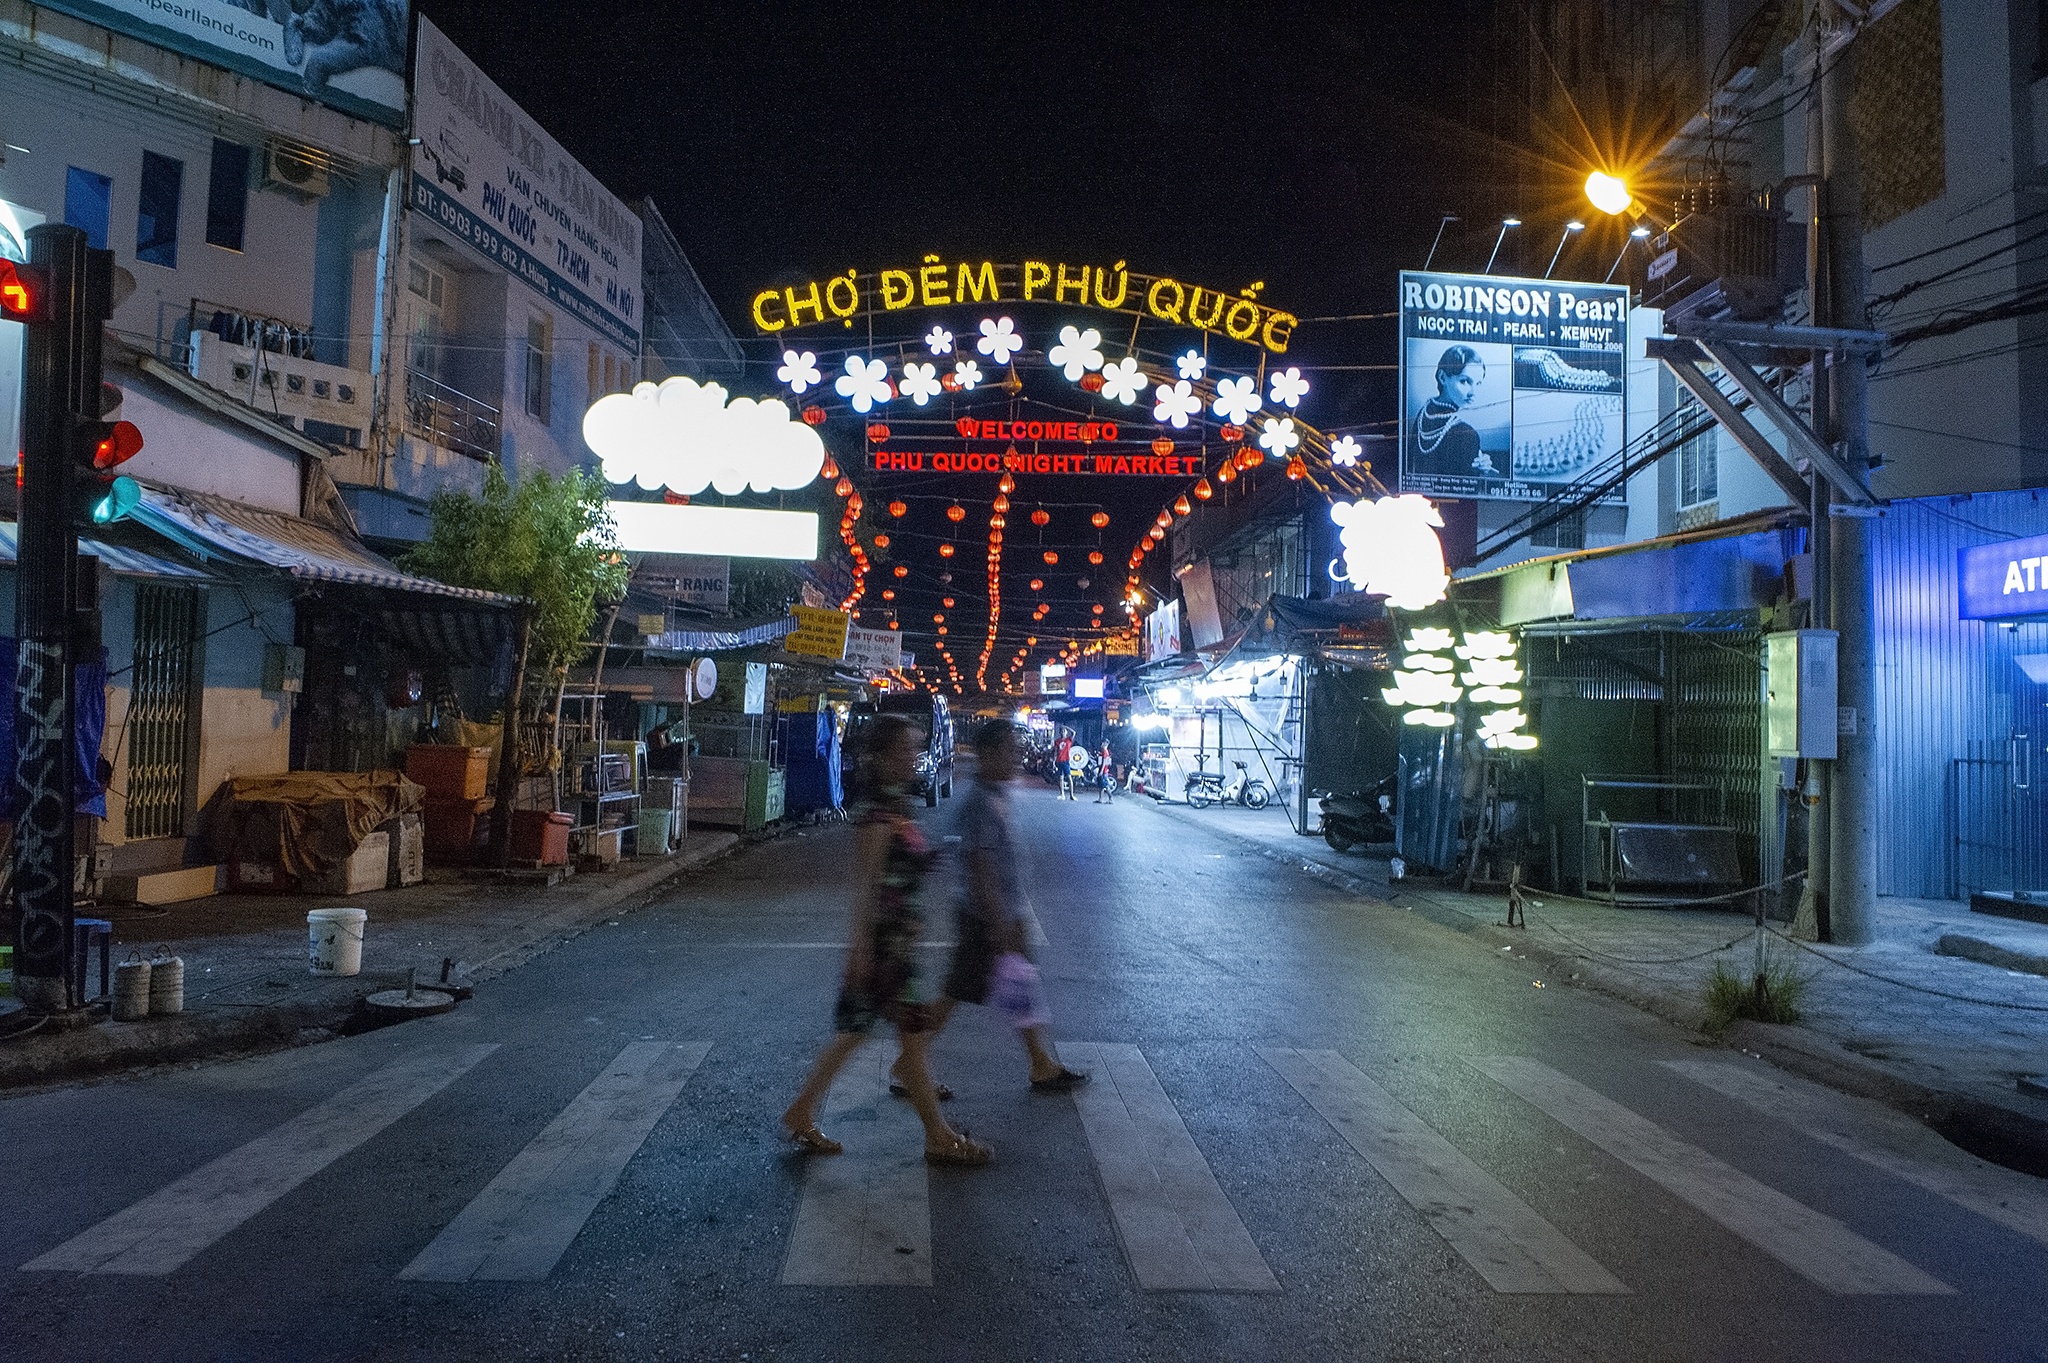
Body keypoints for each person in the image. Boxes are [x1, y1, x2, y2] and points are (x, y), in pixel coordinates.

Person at [781, 715, 991, 1167]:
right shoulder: (876, 816)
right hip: (885, 949)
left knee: (857, 1033)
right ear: (880, 759)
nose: (914, 758)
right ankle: (939, 1135)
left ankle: (801, 1112)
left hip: (896, 944)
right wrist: (860, 948)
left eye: (916, 748)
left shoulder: (898, 809)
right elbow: (868, 884)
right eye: (905, 750)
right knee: (908, 1038)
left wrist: (939, 855)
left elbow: (906, 868)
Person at [930, 721, 1088, 1091]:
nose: (1016, 756)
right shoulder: (980, 804)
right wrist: (999, 922)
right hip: (985, 920)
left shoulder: (995, 796)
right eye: (1009, 749)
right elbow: (979, 865)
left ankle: (1040, 1063)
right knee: (956, 994)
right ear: (987, 754)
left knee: (1018, 987)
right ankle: (907, 1063)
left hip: (999, 916)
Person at [1409, 344, 1497, 478]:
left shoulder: (1424, 411)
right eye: (1465, 381)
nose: (1473, 393)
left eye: (1477, 383)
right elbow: (1468, 493)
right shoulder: (1466, 434)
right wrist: (1480, 470)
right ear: (1443, 377)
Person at [1054, 731, 1075, 800]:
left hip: (1066, 760)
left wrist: (1066, 727)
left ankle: (1071, 795)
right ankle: (1062, 794)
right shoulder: (1057, 741)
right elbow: (1056, 751)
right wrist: (1054, 761)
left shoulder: (1068, 739)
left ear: (1066, 732)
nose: (1063, 733)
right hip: (1059, 760)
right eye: (1062, 731)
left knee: (1069, 777)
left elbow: (1074, 733)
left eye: (1064, 731)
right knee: (1060, 778)